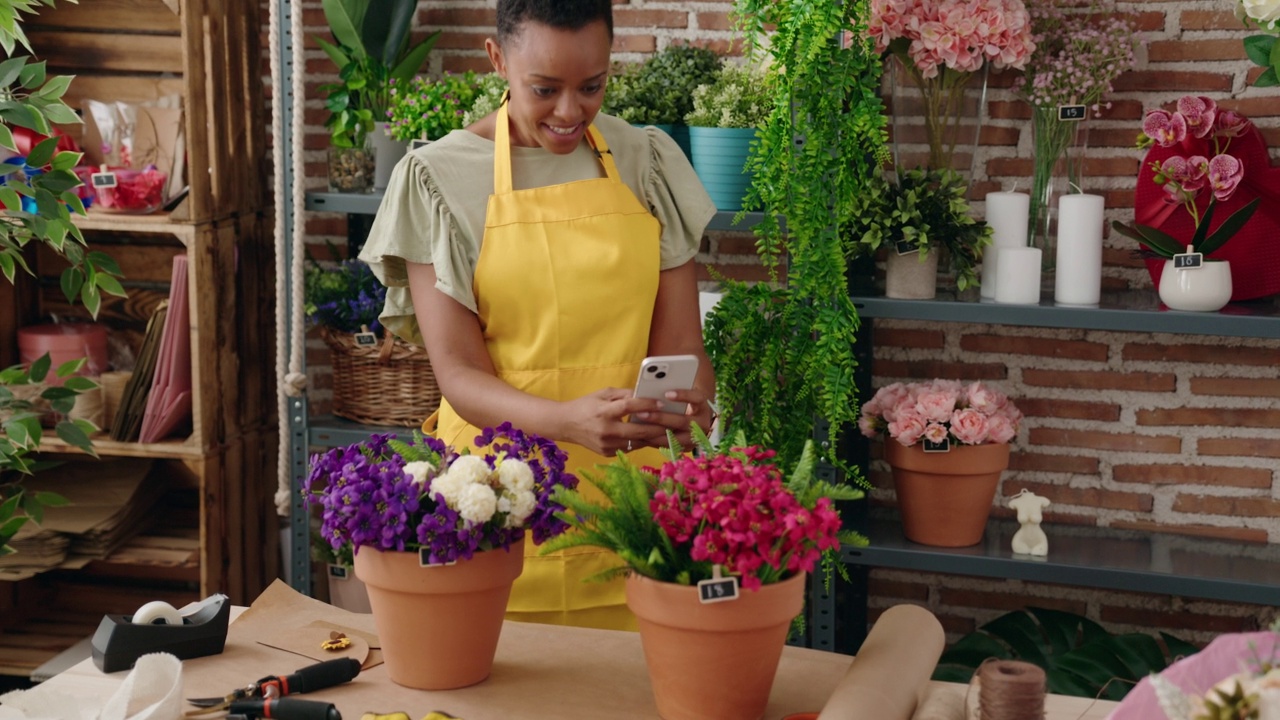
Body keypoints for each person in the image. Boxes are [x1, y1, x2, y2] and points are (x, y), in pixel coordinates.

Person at [358, 0, 718, 631]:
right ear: (497, 59)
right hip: (496, 499)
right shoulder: (438, 179)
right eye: (545, 89)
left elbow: (683, 343)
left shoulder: (647, 161)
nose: (570, 112)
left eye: (593, 86)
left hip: (633, 504)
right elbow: (459, 373)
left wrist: (689, 403)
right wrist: (565, 423)